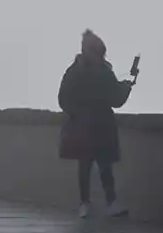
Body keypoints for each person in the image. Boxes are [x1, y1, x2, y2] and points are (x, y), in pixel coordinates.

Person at [58, 29, 135, 219]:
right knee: (86, 165)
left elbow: (116, 99)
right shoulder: (76, 72)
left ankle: (109, 201)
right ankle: (87, 202)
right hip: (86, 125)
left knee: (104, 165)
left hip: (101, 125)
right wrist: (77, 113)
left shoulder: (102, 72)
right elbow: (63, 98)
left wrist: (126, 88)